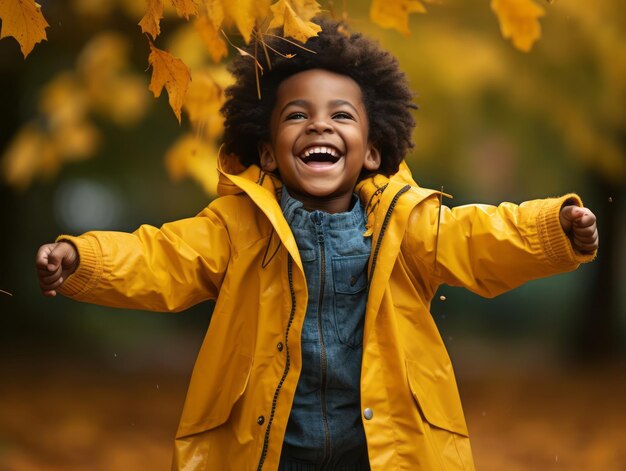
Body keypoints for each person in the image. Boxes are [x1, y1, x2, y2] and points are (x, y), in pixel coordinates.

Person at [35, 19, 598, 471]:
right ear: (267, 151)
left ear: (372, 151)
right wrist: (83, 259)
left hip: (381, 448)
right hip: (273, 446)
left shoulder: (407, 228)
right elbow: (161, 258)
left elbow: (477, 239)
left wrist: (553, 228)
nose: (318, 127)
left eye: (341, 116)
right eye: (297, 115)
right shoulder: (237, 228)